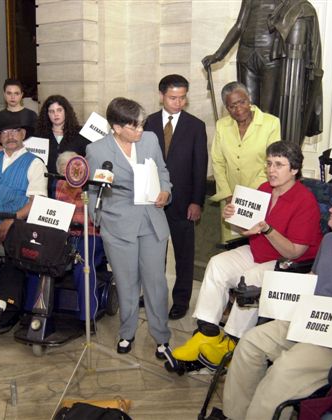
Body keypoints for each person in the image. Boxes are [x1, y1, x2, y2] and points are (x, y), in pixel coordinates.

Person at [222, 183, 332, 419]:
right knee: (250, 343)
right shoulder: (330, 241)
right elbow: (313, 279)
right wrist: (278, 294)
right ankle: (236, 414)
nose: (330, 209)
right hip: (308, 321)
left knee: (284, 370)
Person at [172, 141, 323, 367]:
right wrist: (234, 216)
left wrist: (267, 229)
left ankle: (233, 341)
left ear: (294, 170)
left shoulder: (305, 200)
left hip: (289, 263)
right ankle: (208, 332)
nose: (271, 170)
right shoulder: (263, 189)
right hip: (259, 250)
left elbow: (294, 251)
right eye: (269, 163)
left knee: (250, 279)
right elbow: (247, 229)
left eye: (279, 165)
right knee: (217, 264)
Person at [86, 97, 174, 360]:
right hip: (118, 223)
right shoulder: (97, 150)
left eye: (141, 124)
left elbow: (162, 170)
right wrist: (99, 219)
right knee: (126, 282)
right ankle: (127, 332)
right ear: (116, 127)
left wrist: (166, 191)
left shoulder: (149, 140)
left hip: (151, 220)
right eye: (133, 126)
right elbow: (93, 189)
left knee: (156, 282)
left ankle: (161, 337)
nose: (140, 130)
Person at [201, 0, 323, 145]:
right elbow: (239, 26)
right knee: (246, 110)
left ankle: (267, 154)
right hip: (246, 55)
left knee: (267, 113)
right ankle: (247, 150)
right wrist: (218, 55)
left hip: (271, 57)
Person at [0, 112, 48, 325]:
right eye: (5, 132)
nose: (10, 136)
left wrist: (12, 219)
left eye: (15, 131)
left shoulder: (34, 164)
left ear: (23, 134)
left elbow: (36, 202)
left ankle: (0, 304)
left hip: (17, 222)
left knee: (14, 245)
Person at [143, 74, 208, 320]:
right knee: (152, 252)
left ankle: (181, 300)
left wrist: (196, 201)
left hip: (183, 201)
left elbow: (200, 166)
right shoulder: (147, 123)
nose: (178, 102)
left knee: (183, 254)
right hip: (152, 200)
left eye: (182, 98)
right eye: (173, 98)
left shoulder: (195, 126)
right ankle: (152, 294)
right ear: (161, 96)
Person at [210, 81, 281, 242]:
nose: (239, 108)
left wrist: (248, 197)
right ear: (226, 108)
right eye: (232, 106)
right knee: (233, 244)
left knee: (259, 243)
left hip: (261, 196)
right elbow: (218, 162)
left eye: (242, 102)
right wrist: (228, 195)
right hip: (230, 200)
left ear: (249, 99)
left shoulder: (271, 123)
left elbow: (272, 163)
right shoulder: (222, 126)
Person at [55, 151, 105, 325]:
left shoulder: (90, 188)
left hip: (89, 236)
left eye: (76, 167)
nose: (72, 171)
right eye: (66, 168)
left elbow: (91, 218)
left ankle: (87, 317)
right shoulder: (58, 185)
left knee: (83, 267)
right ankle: (35, 313)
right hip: (64, 237)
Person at [35, 95, 90, 183]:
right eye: (51, 111)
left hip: (73, 187)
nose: (55, 114)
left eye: (59, 110)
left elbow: (88, 159)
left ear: (66, 112)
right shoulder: (40, 135)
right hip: (46, 185)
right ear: (47, 114)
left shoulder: (81, 134)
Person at [0, 79, 39, 152]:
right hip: (5, 158)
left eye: (16, 93)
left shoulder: (31, 115)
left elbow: (38, 141)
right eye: (9, 93)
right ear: (4, 94)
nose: (13, 97)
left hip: (26, 158)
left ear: (22, 95)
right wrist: (9, 154)